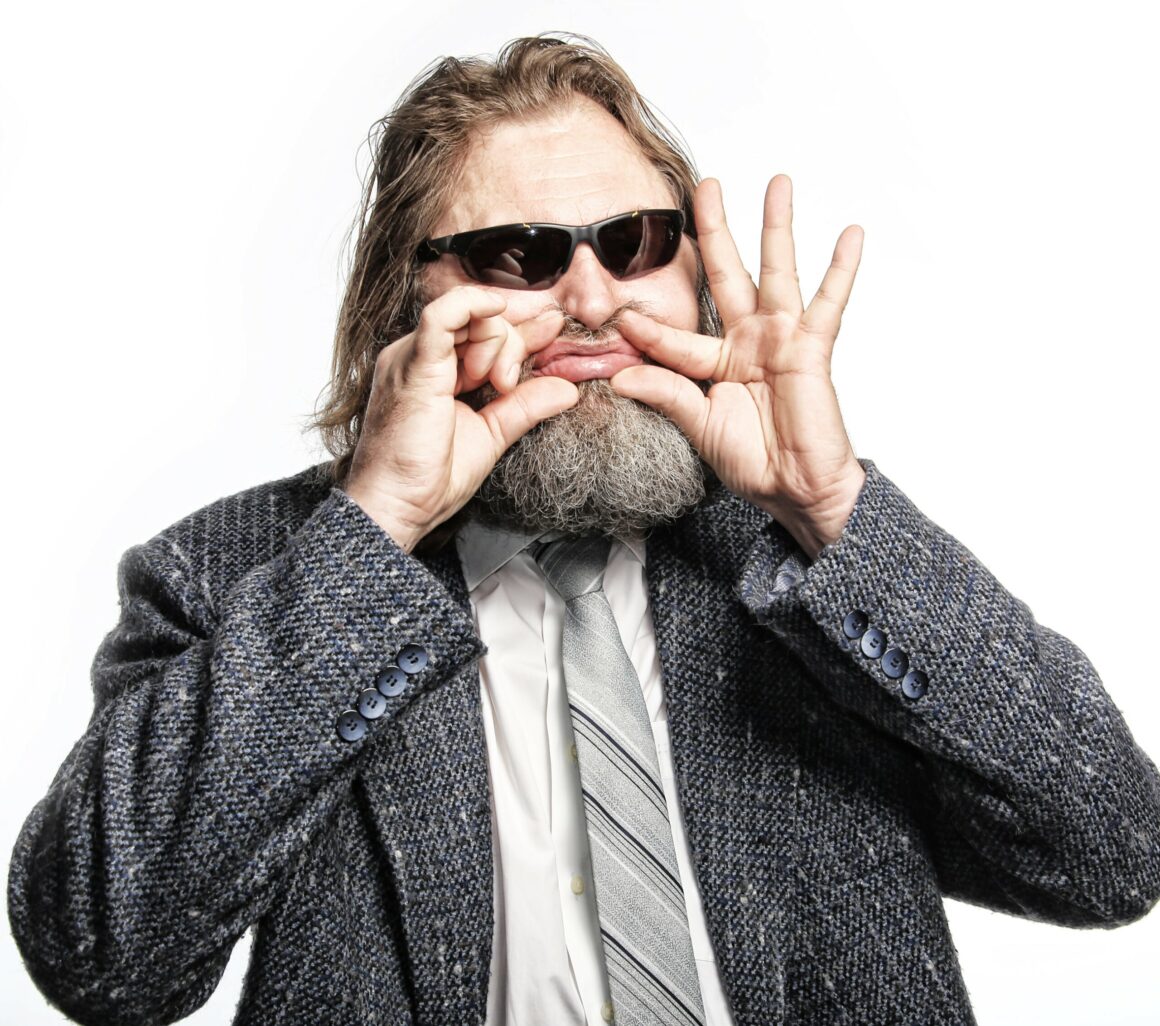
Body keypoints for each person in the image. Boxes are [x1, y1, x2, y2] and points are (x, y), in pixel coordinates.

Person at [8, 33, 1160, 1026]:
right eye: (520, 255)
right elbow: (103, 958)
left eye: (634, 241)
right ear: (405, 301)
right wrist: (375, 530)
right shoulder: (239, 575)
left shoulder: (809, 560)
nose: (594, 301)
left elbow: (1110, 855)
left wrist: (830, 513)